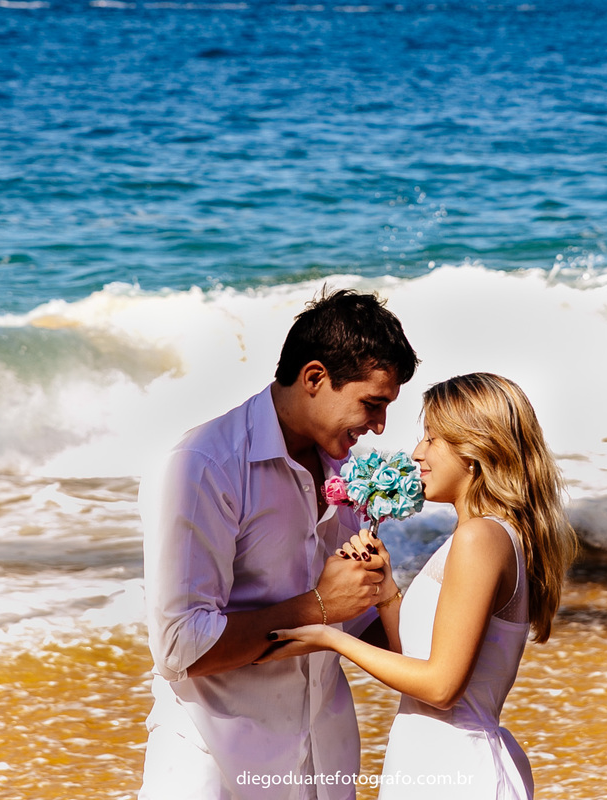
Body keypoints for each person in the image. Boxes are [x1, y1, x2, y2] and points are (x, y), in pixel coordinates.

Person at [138, 288, 420, 799]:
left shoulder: (347, 473)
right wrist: (317, 606)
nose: (380, 427)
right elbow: (180, 646)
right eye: (372, 404)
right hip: (214, 764)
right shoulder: (203, 467)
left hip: (324, 761)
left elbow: (355, 621)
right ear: (314, 378)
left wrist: (398, 605)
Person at [269, 373, 578, 799]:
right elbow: (420, 663)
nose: (417, 452)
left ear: (475, 450)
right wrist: (386, 593)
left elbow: (441, 689)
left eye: (432, 438)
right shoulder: (483, 535)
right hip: (435, 761)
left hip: (456, 768)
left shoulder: (480, 538)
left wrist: (330, 638)